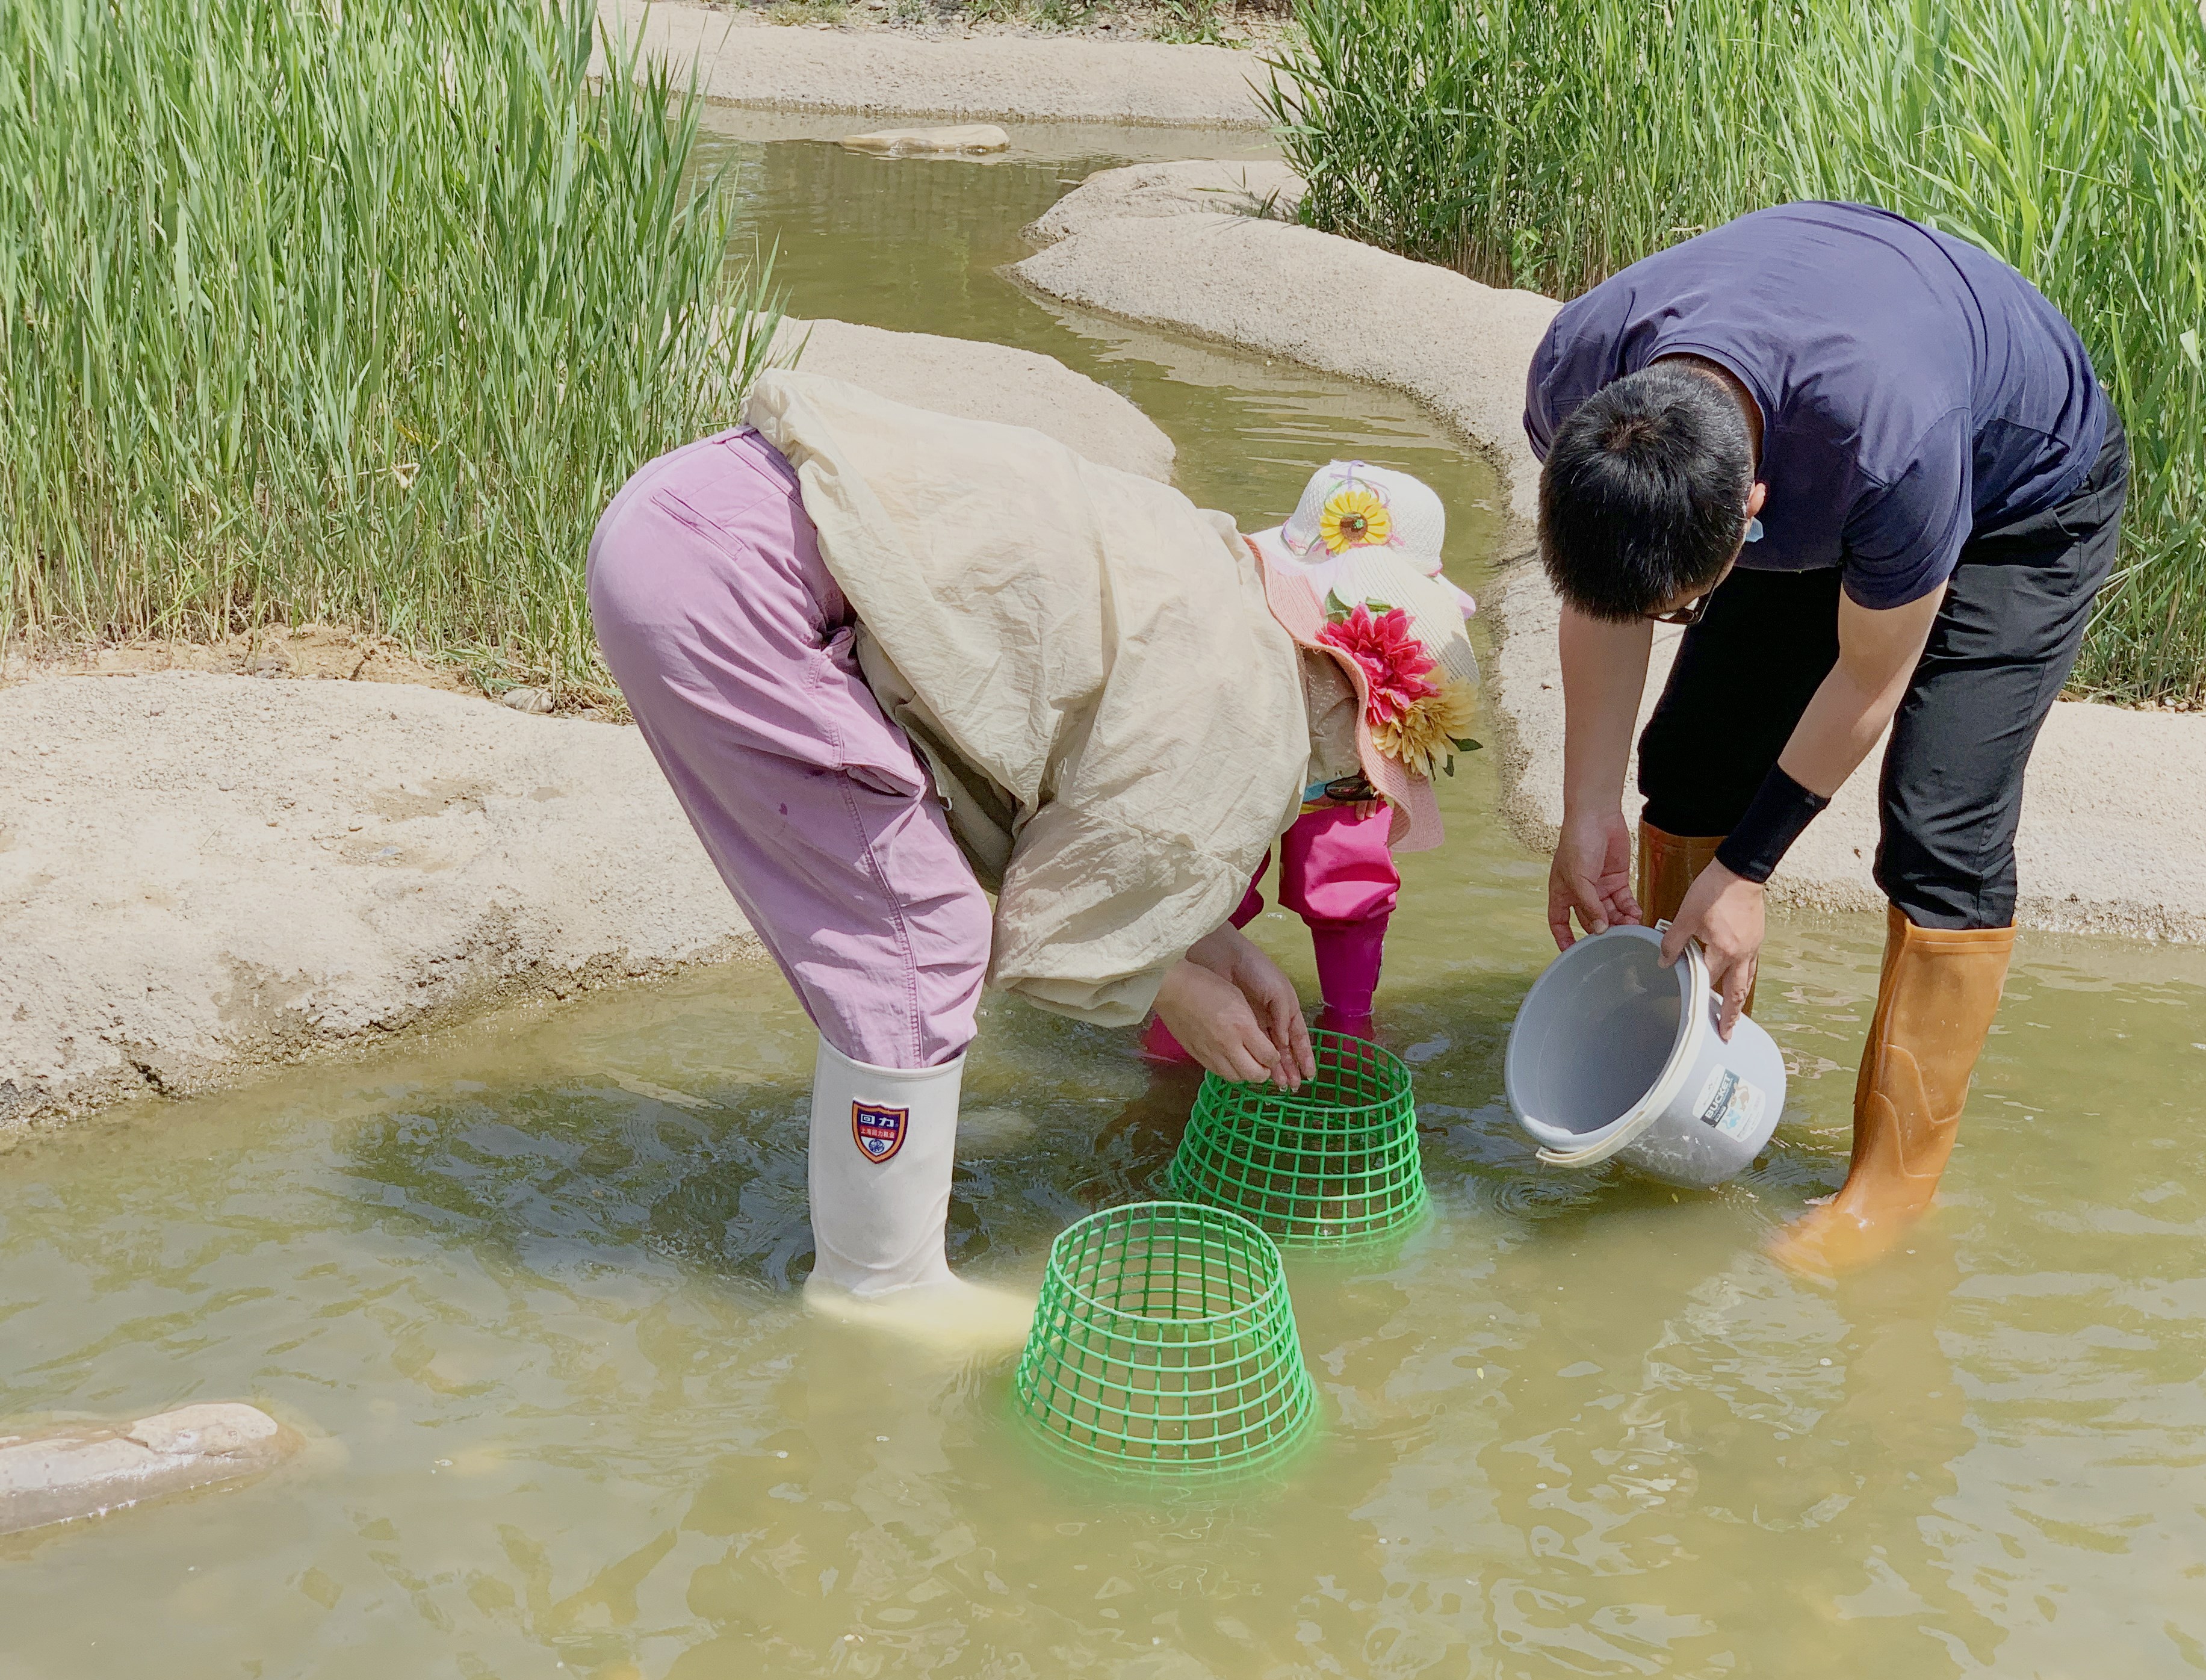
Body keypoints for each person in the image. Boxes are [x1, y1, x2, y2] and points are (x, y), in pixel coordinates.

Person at [585, 368, 1478, 1333]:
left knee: (911, 915)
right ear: (1342, 708)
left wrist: (1208, 943)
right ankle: (875, 1288)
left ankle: (879, 1247)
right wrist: (1177, 990)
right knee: (919, 944)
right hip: (732, 590)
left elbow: (1061, 806)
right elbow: (1054, 933)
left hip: (691, 512)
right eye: (1354, 783)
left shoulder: (1207, 589)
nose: (1333, 799)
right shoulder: (1250, 709)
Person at [1527, 200, 2128, 1277]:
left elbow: (1870, 668)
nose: (1669, 621)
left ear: (1751, 512)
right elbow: (1606, 592)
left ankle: (1890, 1191)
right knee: (1694, 760)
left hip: (2017, 493)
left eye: (1684, 604)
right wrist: (1586, 807)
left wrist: (1751, 868)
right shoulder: (1579, 376)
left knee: (1939, 826)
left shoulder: (1886, 446)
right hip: (1816, 417)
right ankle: (1672, 1054)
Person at [1141, 461, 1481, 1056]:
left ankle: (1335, 1025)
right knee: (1224, 893)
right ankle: (1201, 1027)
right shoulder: (1245, 626)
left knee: (1327, 893)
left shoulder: (1261, 616)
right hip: (1265, 774)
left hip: (1335, 778)